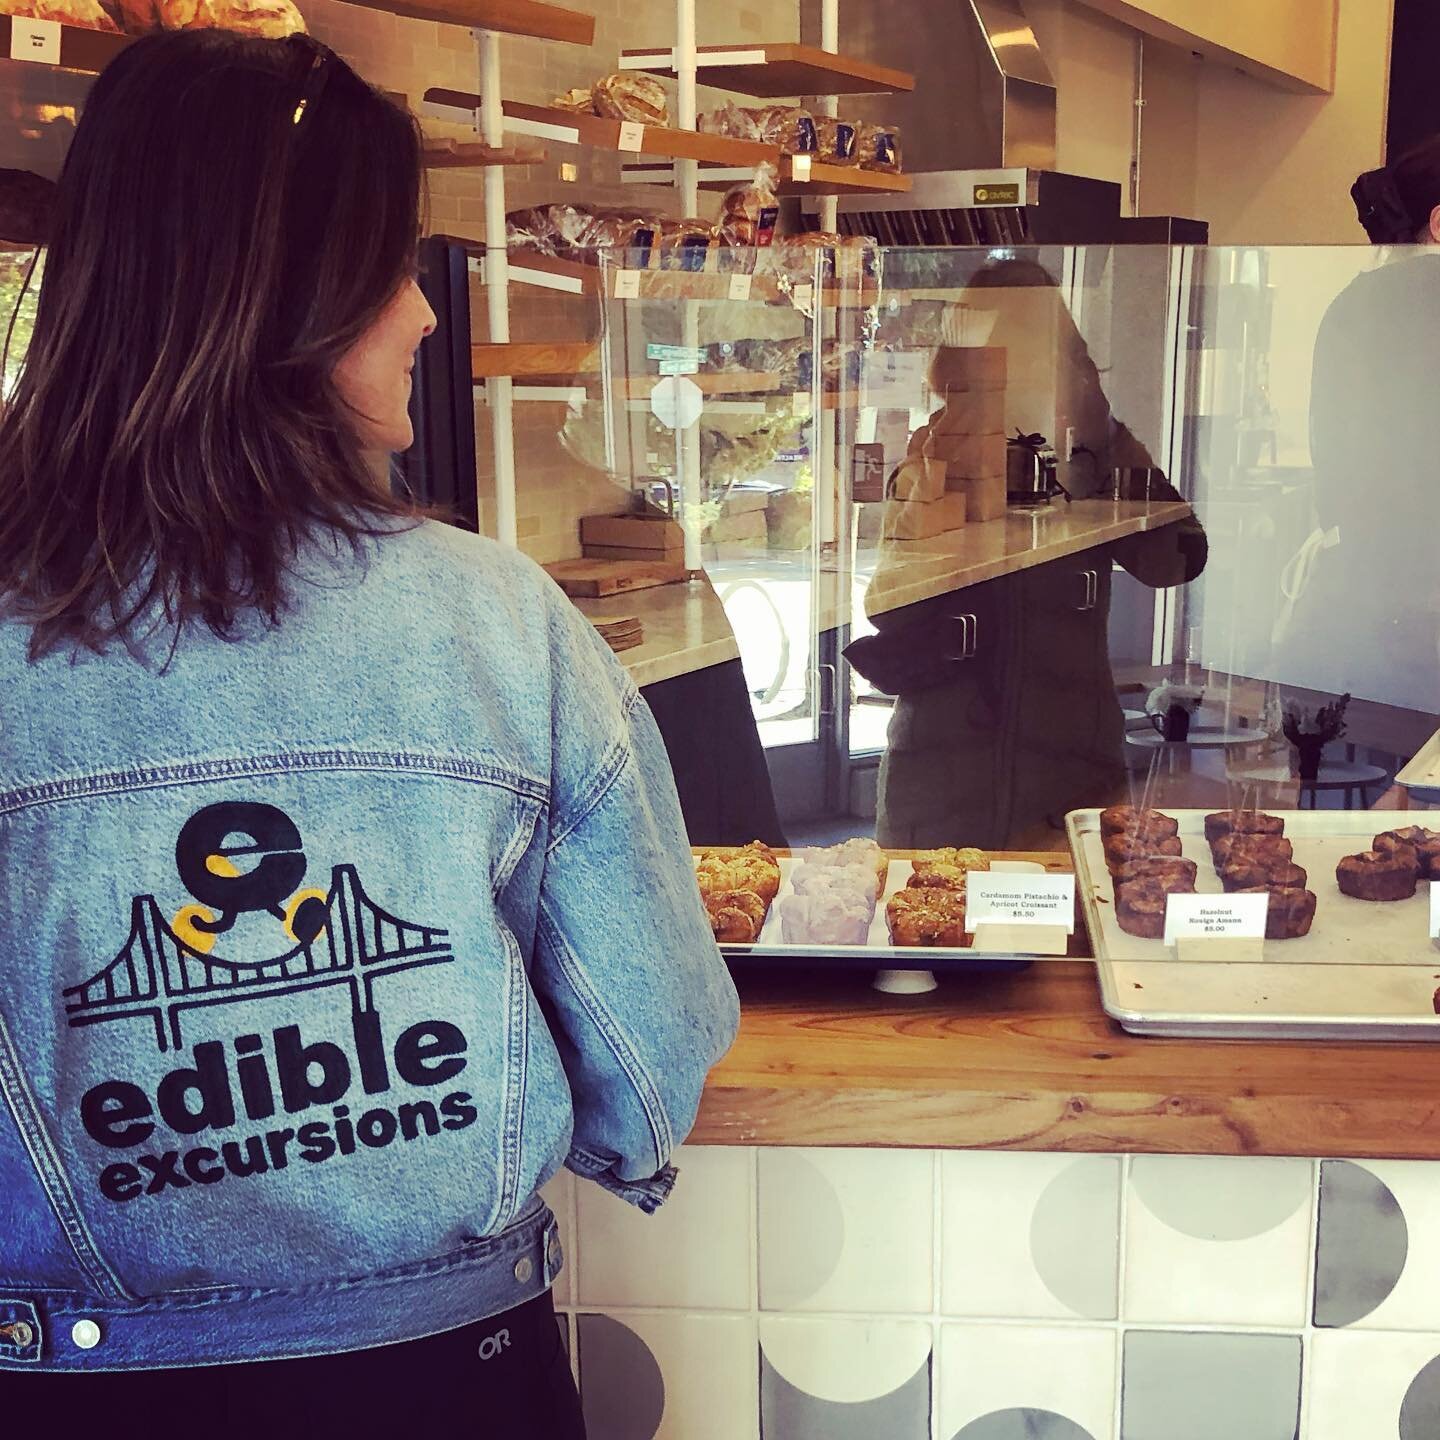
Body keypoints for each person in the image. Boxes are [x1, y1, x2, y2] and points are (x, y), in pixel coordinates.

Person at [0, 31, 738, 1434]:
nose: (426, 316)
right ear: (284, 301)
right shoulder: (494, 626)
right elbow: (651, 1062)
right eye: (390, 270)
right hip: (446, 1387)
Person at [849, 258, 1207, 849]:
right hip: (945, 779)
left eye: (1036, 354)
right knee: (935, 927)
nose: (1014, 383)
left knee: (1063, 937)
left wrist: (1102, 436)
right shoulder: (936, 447)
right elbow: (890, 609)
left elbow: (1176, 560)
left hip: (1066, 776)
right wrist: (944, 475)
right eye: (997, 359)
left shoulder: (1084, 456)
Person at [1274, 136, 1440, 717]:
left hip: (1372, 582)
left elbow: (1336, 439)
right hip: (1424, 580)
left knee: (1393, 756)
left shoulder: (1352, 301)